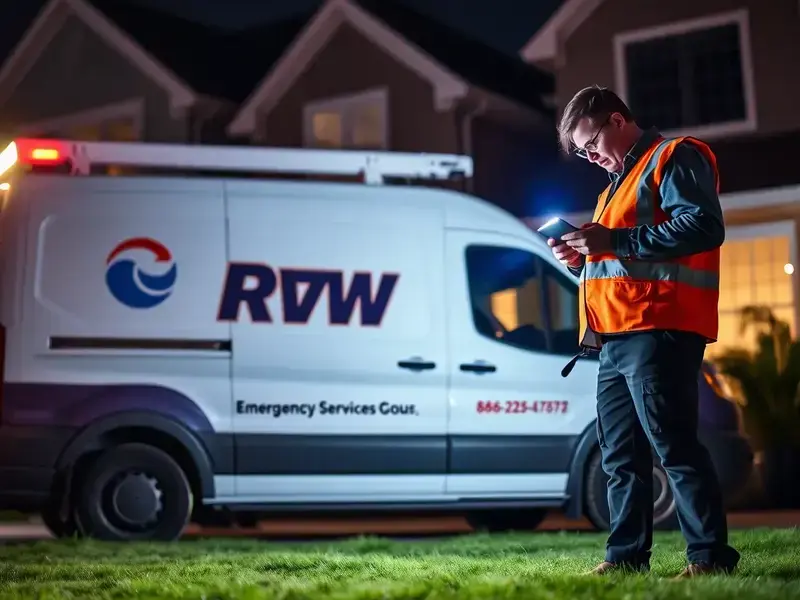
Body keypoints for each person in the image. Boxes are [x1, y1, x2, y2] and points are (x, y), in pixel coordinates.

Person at [548, 85, 740, 579]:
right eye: (584, 153)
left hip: (660, 329)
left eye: (593, 144)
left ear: (617, 120)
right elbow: (617, 266)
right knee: (621, 456)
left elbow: (702, 225)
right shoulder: (612, 187)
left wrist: (612, 239)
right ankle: (625, 558)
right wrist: (580, 260)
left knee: (672, 444)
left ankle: (710, 558)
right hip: (614, 339)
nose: (592, 158)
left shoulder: (674, 157)